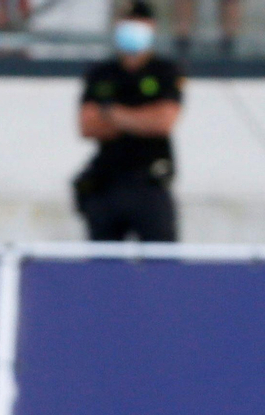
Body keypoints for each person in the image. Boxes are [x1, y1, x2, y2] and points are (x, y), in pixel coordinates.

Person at [74, 2, 183, 243]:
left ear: (152, 28)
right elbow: (88, 126)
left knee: (161, 262)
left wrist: (112, 113)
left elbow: (163, 122)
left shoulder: (164, 71)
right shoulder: (102, 73)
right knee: (104, 265)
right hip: (107, 180)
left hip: (150, 181)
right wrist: (141, 117)